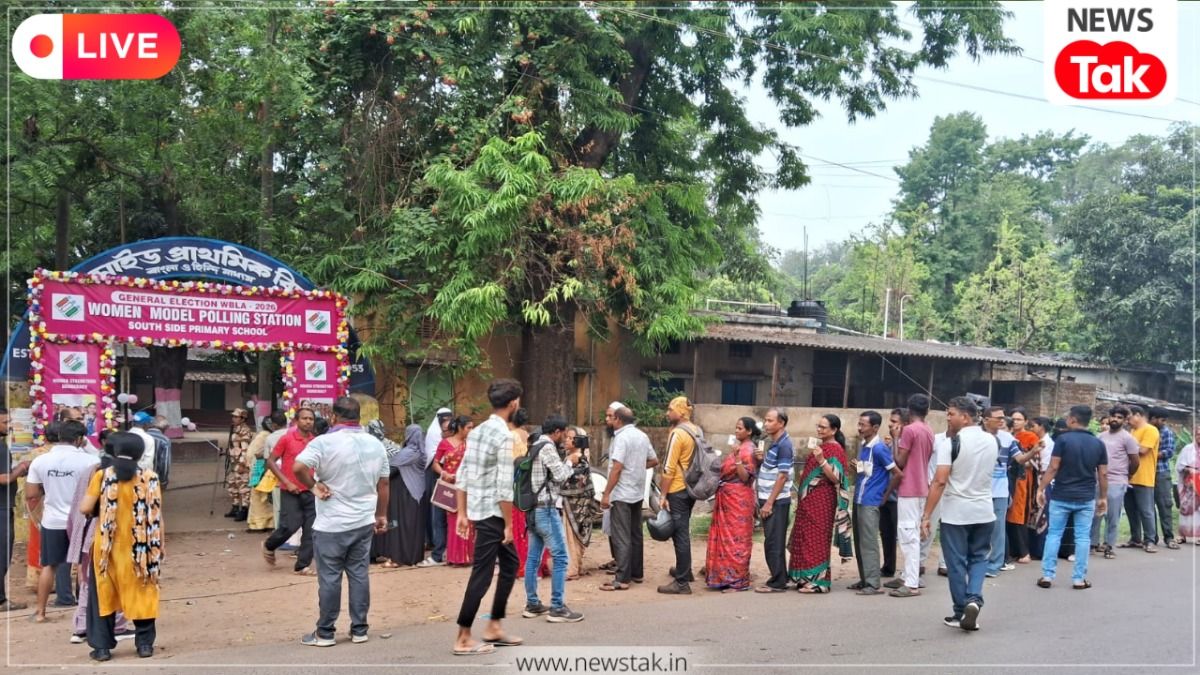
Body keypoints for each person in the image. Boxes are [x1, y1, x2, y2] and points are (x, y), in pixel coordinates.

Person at [292, 396, 390, 647]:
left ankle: (325, 633)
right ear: (359, 417)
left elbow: (298, 467)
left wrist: (313, 487)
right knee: (359, 575)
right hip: (363, 521)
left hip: (331, 524)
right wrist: (381, 515)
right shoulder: (375, 444)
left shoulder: (323, 442)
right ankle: (359, 630)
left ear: (333, 417)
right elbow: (384, 483)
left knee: (330, 578)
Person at [453, 379, 526, 656]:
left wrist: (462, 513)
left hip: (479, 509)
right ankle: (463, 636)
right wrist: (508, 525)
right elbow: (504, 487)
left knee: (510, 564)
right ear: (513, 403)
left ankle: (494, 625)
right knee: (482, 574)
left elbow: (463, 474)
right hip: (493, 514)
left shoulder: (478, 431)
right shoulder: (504, 436)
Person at [77, 432, 163, 660]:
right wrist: (161, 545)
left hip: (107, 549)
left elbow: (84, 508)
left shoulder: (103, 476)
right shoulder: (150, 477)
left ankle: (102, 648)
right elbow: (157, 515)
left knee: (103, 596)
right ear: (140, 454)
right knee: (143, 592)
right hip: (141, 548)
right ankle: (144, 645)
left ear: (114, 452)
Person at [921, 397, 994, 632]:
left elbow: (940, 481)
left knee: (956, 563)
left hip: (956, 513)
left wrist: (926, 515)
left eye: (951, 414)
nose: (948, 418)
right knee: (979, 558)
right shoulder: (991, 441)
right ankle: (974, 599)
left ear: (965, 417)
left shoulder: (950, 443)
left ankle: (960, 610)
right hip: (984, 511)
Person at [26, 420, 100, 622]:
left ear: (59, 437)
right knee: (85, 566)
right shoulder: (90, 461)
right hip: (82, 520)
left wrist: (50, 487)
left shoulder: (41, 461)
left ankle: (40, 613)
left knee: (49, 566)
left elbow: (31, 494)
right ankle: (87, 613)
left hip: (52, 521)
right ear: (80, 439)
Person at [66, 437, 132, 646]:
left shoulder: (91, 470)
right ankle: (117, 626)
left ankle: (82, 627)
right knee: (118, 581)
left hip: (88, 535)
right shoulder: (123, 474)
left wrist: (75, 533)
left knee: (88, 583)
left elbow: (79, 505)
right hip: (114, 536)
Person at [1035, 405, 1107, 590]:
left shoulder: (1062, 440)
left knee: (1054, 534)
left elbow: (1053, 467)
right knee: (1082, 537)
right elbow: (1103, 473)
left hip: (1061, 495)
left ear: (1073, 419)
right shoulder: (1098, 444)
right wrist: (1103, 497)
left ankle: (1047, 575)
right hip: (1086, 497)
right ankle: (1079, 579)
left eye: (1068, 417)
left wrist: (1041, 489)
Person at [521, 415, 584, 622]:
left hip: (532, 509)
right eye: (564, 434)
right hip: (545, 510)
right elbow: (561, 475)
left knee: (533, 558)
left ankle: (532, 604)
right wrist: (570, 461)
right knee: (561, 557)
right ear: (556, 432)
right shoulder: (547, 447)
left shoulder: (534, 445)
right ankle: (557, 607)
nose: (565, 438)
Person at [788, 414, 851, 594]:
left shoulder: (835, 449)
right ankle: (804, 577)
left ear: (834, 430)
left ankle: (819, 582)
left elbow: (836, 478)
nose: (819, 429)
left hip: (822, 501)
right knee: (805, 537)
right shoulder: (821, 446)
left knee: (817, 539)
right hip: (808, 502)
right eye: (818, 426)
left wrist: (822, 460)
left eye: (823, 427)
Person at [599, 406, 658, 592]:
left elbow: (617, 468)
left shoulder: (621, 438)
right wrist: (636, 467)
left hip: (621, 493)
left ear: (618, 419)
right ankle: (637, 573)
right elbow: (654, 460)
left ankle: (622, 578)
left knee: (621, 535)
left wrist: (606, 493)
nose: (608, 420)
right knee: (635, 534)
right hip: (637, 492)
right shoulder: (642, 436)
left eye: (611, 417)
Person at [848, 411, 901, 596]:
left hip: (871, 501)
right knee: (860, 541)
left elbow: (897, 474)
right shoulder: (864, 446)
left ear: (875, 427)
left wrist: (885, 496)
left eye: (863, 425)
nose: (859, 428)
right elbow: (870, 472)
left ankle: (873, 583)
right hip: (859, 498)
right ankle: (865, 579)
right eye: (859, 424)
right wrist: (858, 468)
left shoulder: (879, 448)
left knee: (869, 542)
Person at [706, 417, 759, 593]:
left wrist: (736, 458)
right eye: (736, 428)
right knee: (725, 539)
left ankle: (738, 581)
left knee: (737, 540)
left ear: (749, 431)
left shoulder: (749, 450)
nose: (736, 431)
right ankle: (723, 577)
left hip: (739, 499)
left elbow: (745, 477)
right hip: (727, 497)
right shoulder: (739, 447)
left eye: (740, 428)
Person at [263, 408, 318, 575]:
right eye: (304, 418)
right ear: (296, 421)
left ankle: (302, 566)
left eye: (311, 419)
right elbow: (270, 462)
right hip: (290, 490)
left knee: (311, 529)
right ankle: (269, 545)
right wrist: (286, 481)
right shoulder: (286, 439)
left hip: (310, 489)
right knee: (290, 526)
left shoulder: (315, 442)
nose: (308, 421)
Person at [890, 393, 934, 598]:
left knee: (908, 536)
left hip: (909, 487)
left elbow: (900, 461)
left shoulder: (909, 430)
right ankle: (908, 576)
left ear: (909, 410)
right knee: (913, 533)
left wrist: (895, 438)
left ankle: (911, 582)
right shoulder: (928, 430)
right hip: (922, 486)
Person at [658, 396, 699, 595]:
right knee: (683, 530)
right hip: (691, 488)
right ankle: (685, 570)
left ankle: (682, 582)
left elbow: (668, 468)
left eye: (670, 409)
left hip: (677, 489)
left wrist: (663, 494)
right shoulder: (696, 430)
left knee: (680, 534)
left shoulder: (678, 433)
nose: (667, 413)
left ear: (680, 412)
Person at [372, 423, 426, 568]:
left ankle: (397, 558)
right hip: (418, 495)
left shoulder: (407, 453)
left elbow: (389, 470)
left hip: (404, 495)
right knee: (413, 527)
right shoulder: (422, 452)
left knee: (398, 525)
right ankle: (413, 556)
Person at [753, 408, 794, 594]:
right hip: (769, 500)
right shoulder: (775, 443)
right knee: (771, 540)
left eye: (770, 421)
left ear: (781, 423)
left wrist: (769, 503)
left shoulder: (784, 445)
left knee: (774, 542)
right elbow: (772, 469)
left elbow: (782, 476)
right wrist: (762, 460)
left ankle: (778, 582)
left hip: (776, 502)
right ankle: (780, 576)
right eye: (766, 420)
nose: (766, 424)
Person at [1091, 406, 1140, 558]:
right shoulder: (1100, 436)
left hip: (1117, 480)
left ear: (1124, 421)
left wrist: (1127, 475)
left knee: (1112, 515)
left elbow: (1135, 461)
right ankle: (1093, 543)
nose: (1115, 419)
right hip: (1099, 479)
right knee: (1095, 513)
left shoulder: (1128, 438)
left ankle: (1109, 546)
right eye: (1113, 416)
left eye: (1119, 417)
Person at [432, 416, 475, 566]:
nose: (471, 430)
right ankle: (455, 557)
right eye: (469, 427)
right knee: (452, 520)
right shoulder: (444, 443)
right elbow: (435, 463)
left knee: (469, 519)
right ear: (460, 428)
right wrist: (444, 473)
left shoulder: (470, 444)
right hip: (450, 487)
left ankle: (468, 556)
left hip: (467, 486)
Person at [1, 408, 31, 612]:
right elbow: (3, 478)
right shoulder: (1, 448)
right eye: (5, 422)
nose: (9, 425)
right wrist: (22, 468)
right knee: (2, 555)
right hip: (1, 508)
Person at [982, 406, 1017, 578]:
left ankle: (995, 565)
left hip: (1000, 490)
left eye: (1003, 417)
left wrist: (1033, 451)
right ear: (985, 420)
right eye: (998, 417)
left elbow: (1020, 458)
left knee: (997, 529)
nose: (1002, 420)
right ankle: (978, 561)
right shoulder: (978, 437)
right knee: (978, 527)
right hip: (980, 489)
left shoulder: (1008, 438)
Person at [560, 427, 597, 580]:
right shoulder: (578, 456)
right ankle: (576, 566)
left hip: (574, 503)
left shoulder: (575, 458)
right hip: (577, 502)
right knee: (574, 534)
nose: (566, 440)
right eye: (567, 437)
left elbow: (566, 479)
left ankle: (573, 569)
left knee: (572, 534)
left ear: (578, 441)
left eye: (570, 438)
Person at [1006, 409, 1041, 563]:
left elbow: (1035, 460)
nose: (1015, 422)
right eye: (1013, 419)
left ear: (1026, 421)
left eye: (1019, 419)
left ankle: (1023, 551)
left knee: (1018, 514)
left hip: (1022, 480)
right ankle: (1011, 550)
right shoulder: (1007, 436)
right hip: (1007, 478)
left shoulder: (1031, 437)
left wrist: (1021, 460)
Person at [1125, 405, 1160, 553]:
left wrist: (1125, 445)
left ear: (1138, 415)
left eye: (1129, 417)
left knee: (1146, 511)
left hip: (1144, 476)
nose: (1127, 421)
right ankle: (1135, 538)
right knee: (1130, 510)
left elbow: (1143, 450)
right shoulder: (1133, 431)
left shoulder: (1151, 430)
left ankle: (1150, 540)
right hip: (1129, 477)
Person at [421, 408, 453, 568]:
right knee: (438, 517)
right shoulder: (438, 438)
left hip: (459, 484)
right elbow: (434, 462)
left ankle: (456, 553)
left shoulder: (463, 443)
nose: (445, 432)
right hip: (440, 481)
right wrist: (444, 473)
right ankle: (438, 552)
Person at [879, 408, 905, 582]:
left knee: (903, 536)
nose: (890, 425)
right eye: (890, 421)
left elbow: (899, 465)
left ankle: (911, 571)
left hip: (899, 497)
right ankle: (888, 567)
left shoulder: (903, 445)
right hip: (886, 496)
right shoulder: (887, 446)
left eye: (895, 422)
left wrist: (895, 439)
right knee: (886, 533)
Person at [1148, 408, 1179, 550]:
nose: (1164, 423)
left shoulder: (1166, 432)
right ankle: (1151, 538)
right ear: (1153, 419)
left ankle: (1169, 537)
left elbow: (1169, 451)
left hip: (1161, 472)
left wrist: (1150, 453)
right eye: (1162, 420)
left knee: (1164, 505)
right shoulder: (1146, 431)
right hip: (1146, 473)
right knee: (1148, 508)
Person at [245, 416, 278, 533]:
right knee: (263, 496)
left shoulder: (261, 436)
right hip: (261, 466)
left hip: (257, 468)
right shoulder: (267, 436)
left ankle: (258, 524)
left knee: (257, 496)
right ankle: (266, 523)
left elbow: (250, 454)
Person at [225, 408, 253, 522]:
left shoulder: (245, 431)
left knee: (243, 487)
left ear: (243, 419)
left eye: (236, 417)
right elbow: (234, 446)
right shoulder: (235, 429)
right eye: (233, 416)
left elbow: (245, 449)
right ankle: (235, 507)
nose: (233, 418)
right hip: (233, 462)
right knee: (232, 485)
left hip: (241, 463)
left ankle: (245, 509)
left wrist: (242, 464)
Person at [1176, 427, 1200, 544]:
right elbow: (1180, 466)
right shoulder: (1188, 449)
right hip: (1189, 486)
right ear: (1195, 435)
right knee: (1186, 509)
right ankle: (1182, 535)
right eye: (1198, 434)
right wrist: (1190, 470)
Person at [146, 417, 172, 488]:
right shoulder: (164, 440)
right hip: (153, 476)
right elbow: (165, 463)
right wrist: (163, 480)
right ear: (164, 428)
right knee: (152, 493)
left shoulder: (142, 436)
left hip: (138, 476)